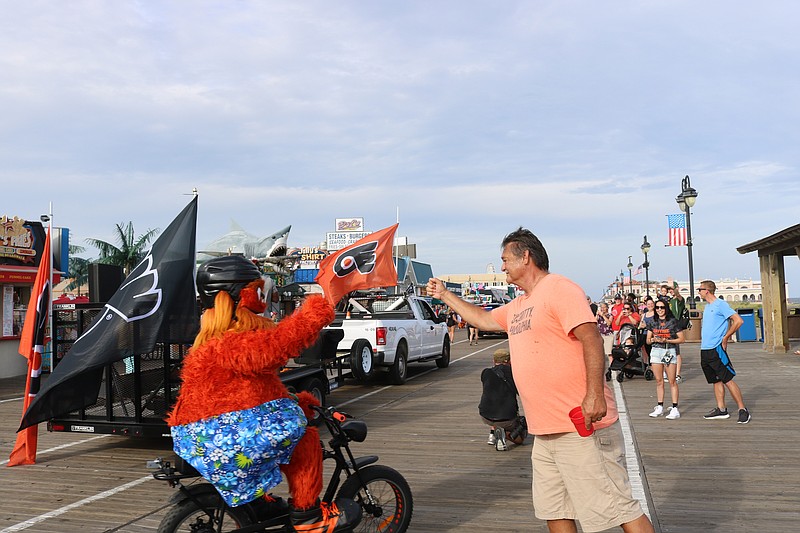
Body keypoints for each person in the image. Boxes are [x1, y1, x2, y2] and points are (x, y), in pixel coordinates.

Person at [427, 228, 654, 533]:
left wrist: (594, 395)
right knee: (555, 509)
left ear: (526, 256)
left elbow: (591, 339)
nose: (503, 266)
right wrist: (444, 295)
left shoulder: (560, 289)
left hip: (580, 424)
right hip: (543, 430)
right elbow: (482, 319)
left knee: (618, 507)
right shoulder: (520, 305)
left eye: (505, 259)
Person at [698, 280, 750, 424]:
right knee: (716, 379)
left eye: (700, 289)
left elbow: (738, 321)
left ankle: (742, 409)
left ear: (707, 290)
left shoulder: (720, 304)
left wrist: (726, 337)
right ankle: (722, 410)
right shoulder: (708, 307)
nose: (698, 292)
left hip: (716, 349)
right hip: (705, 349)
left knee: (727, 379)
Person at [479, 348, 527, 452]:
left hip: (485, 415)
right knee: (520, 438)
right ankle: (504, 434)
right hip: (507, 418)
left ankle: (493, 434)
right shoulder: (514, 374)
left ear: (493, 360)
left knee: (494, 402)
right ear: (509, 361)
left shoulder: (485, 372)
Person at [645, 302, 685, 420]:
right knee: (659, 380)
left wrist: (667, 340)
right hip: (656, 351)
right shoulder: (652, 321)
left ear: (666, 308)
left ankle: (674, 407)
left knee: (672, 381)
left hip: (669, 350)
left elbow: (682, 339)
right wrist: (653, 339)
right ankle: (660, 406)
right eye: (657, 307)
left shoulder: (673, 321)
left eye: (662, 307)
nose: (659, 310)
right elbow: (647, 340)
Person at [668, 285, 686, 383]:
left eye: (671, 289)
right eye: (669, 290)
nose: (670, 291)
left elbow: (679, 297)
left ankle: (677, 374)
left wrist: (676, 291)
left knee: (677, 351)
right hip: (669, 326)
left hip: (676, 327)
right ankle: (671, 373)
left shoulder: (679, 300)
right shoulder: (670, 301)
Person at [596, 302, 615, 381]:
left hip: (608, 335)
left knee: (609, 354)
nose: (602, 309)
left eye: (604, 307)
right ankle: (603, 371)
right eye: (601, 307)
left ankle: (611, 369)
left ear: (607, 308)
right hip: (601, 335)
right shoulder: (599, 316)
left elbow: (609, 323)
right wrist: (597, 315)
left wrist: (603, 315)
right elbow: (594, 322)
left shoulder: (610, 315)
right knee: (601, 354)